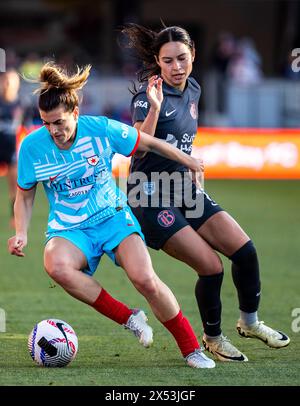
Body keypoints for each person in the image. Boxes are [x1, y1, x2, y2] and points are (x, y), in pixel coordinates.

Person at [7, 62, 215, 369]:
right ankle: (129, 318)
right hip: (70, 228)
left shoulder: (100, 129)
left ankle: (191, 348)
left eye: (59, 122)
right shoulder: (32, 147)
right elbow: (25, 195)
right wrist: (22, 232)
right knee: (56, 265)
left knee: (145, 279)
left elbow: (148, 143)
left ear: (75, 114)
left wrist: (189, 160)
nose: (53, 131)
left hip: (112, 215)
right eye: (45, 123)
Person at [122, 23, 290, 362]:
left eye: (182, 58)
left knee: (245, 251)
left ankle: (250, 322)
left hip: (184, 188)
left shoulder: (194, 88)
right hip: (150, 197)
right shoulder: (148, 97)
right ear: (158, 61)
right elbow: (138, 151)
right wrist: (154, 108)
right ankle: (212, 338)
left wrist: (191, 170)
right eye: (167, 61)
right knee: (212, 268)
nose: (176, 67)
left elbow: (183, 138)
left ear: (193, 55)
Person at [0, 68, 23, 228]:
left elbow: (26, 129)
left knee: (14, 186)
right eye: (5, 80)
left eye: (11, 81)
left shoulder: (21, 104)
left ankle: (14, 218)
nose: (8, 84)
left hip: (12, 149)